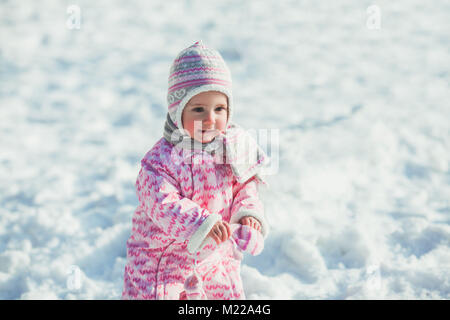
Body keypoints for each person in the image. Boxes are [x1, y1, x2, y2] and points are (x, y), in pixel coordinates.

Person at [122, 40, 269, 300]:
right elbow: (162, 203)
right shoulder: (160, 161)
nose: (211, 119)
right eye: (199, 109)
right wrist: (201, 223)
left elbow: (246, 186)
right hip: (165, 262)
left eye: (219, 109)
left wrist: (248, 215)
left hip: (216, 257)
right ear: (177, 111)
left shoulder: (233, 148)